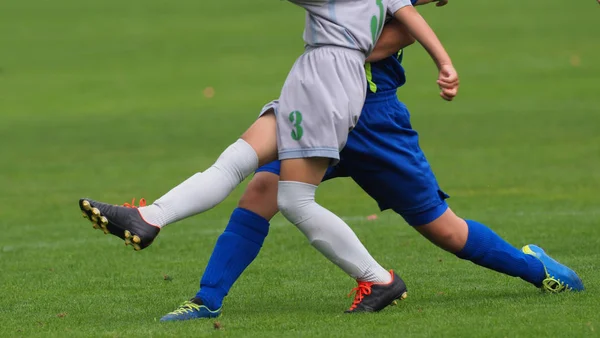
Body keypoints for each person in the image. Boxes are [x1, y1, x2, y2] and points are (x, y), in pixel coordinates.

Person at [79, 0, 459, 315]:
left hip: (326, 79)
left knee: (295, 201)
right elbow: (411, 16)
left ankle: (379, 279)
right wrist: (445, 63)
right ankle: (149, 218)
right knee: (235, 162)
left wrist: (443, 63)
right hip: (323, 77)